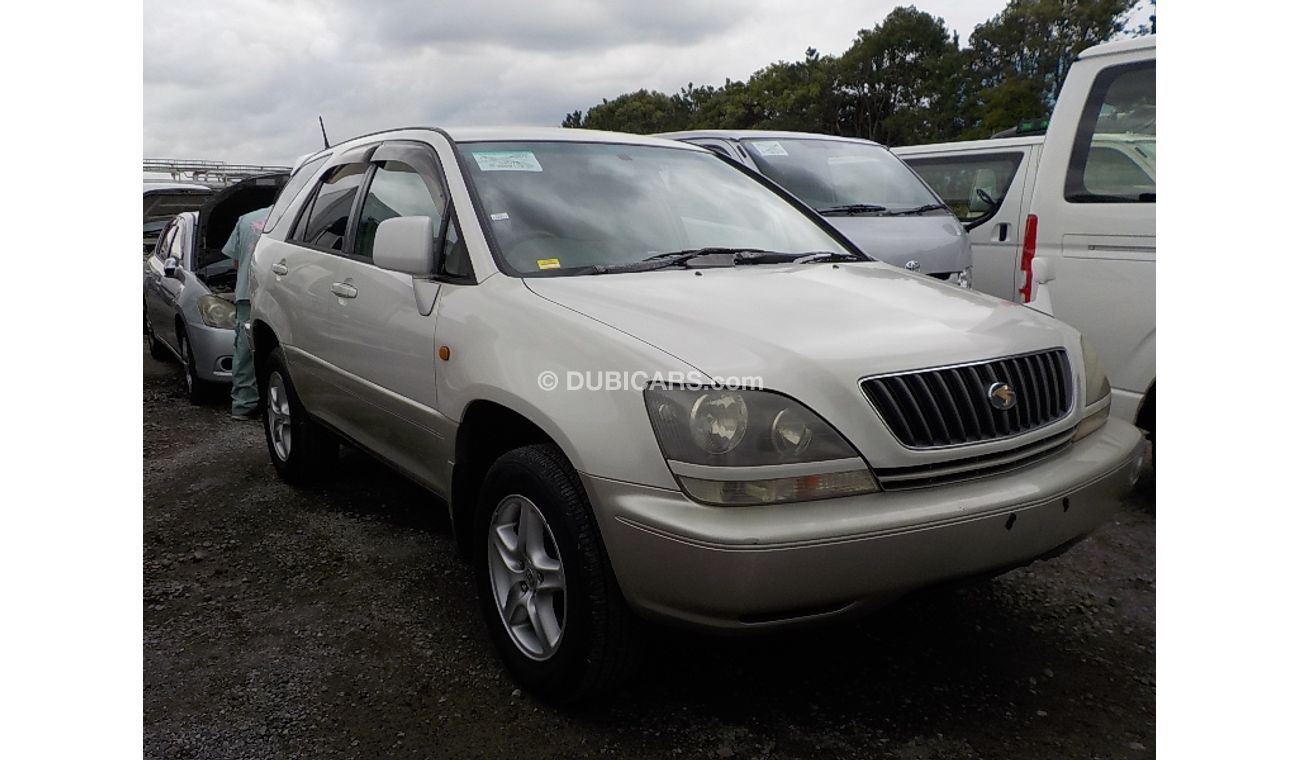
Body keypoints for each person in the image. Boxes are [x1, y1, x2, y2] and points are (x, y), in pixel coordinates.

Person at [221, 206, 271, 421]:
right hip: (285, 294)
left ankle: (244, 404)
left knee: (245, 351)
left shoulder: (246, 219)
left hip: (248, 292)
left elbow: (235, 262)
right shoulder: (300, 217)